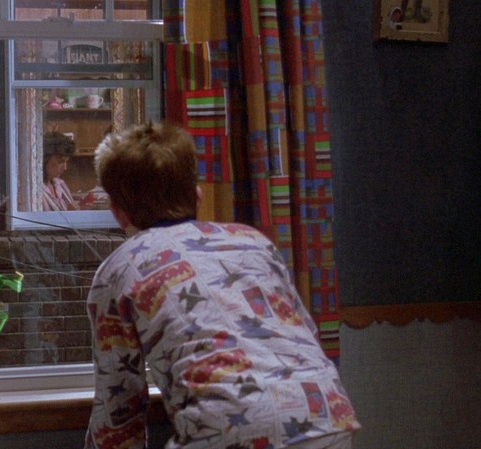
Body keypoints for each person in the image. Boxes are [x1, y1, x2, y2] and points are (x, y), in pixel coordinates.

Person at [84, 122, 361, 449]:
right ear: (198, 195)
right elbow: (305, 333)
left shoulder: (117, 271)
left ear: (118, 212)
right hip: (327, 417)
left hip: (230, 431)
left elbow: (118, 406)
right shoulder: (253, 242)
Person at [42, 131, 79, 211]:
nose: (65, 168)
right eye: (60, 162)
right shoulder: (35, 191)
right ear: (45, 159)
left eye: (66, 162)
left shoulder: (60, 184)